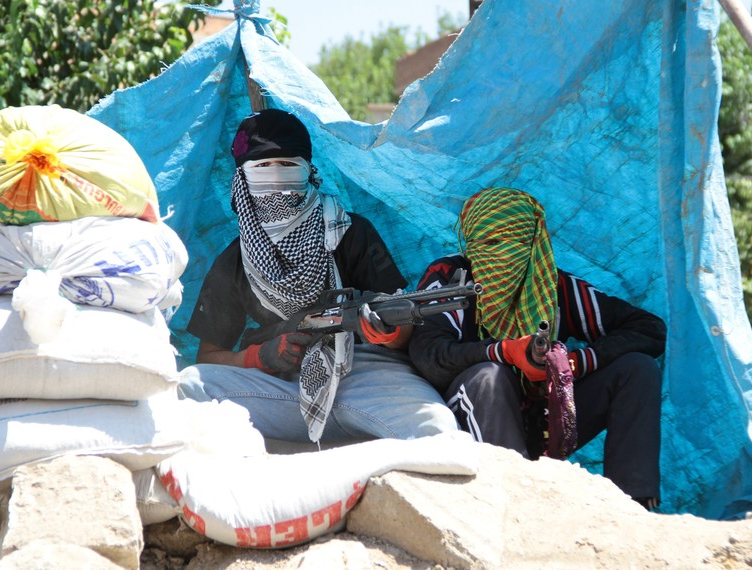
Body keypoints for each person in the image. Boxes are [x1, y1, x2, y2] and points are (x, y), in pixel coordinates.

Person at [180, 108, 458, 445]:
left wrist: (384, 331)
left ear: (309, 171)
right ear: (242, 179)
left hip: (365, 373)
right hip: (283, 388)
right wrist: (257, 357)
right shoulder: (236, 260)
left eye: (287, 164)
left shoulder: (349, 232)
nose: (276, 176)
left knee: (436, 427)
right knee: (189, 385)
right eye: (262, 166)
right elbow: (209, 357)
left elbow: (402, 330)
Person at [408, 186, 666, 509]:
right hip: (466, 424)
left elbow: (650, 329)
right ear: (471, 245)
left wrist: (574, 363)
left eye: (514, 243)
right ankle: (519, 506)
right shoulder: (452, 279)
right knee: (490, 377)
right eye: (489, 243)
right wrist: (505, 351)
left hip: (542, 423)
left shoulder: (553, 287)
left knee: (638, 370)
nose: (501, 255)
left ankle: (633, 509)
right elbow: (427, 355)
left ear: (533, 244)